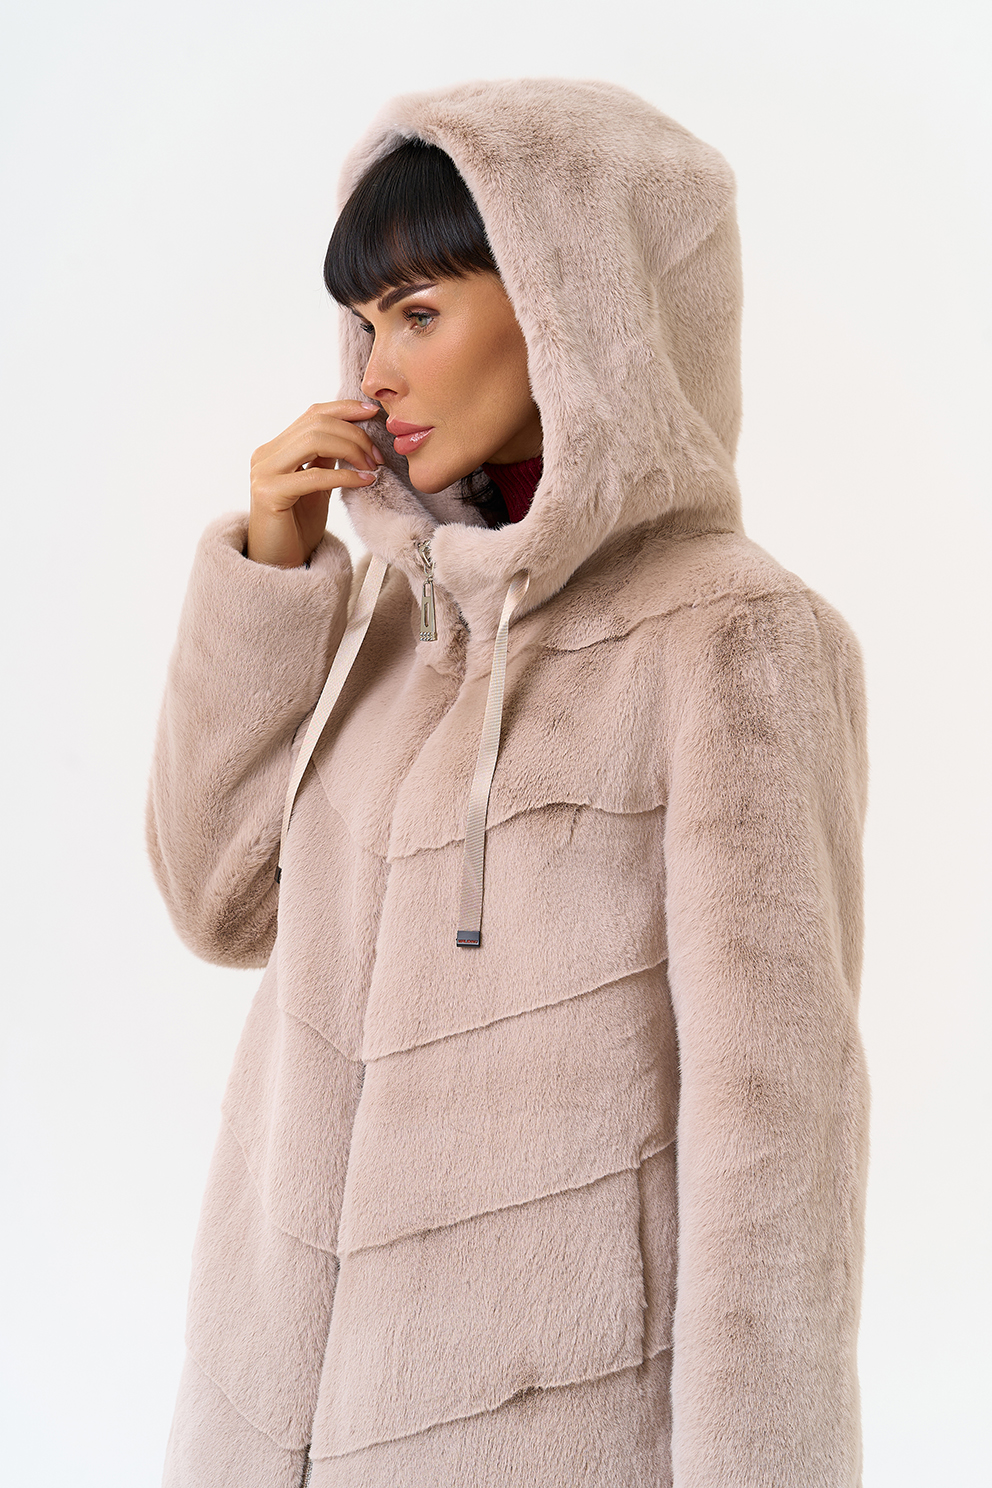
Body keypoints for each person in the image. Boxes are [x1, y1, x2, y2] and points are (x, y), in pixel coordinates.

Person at [148, 78, 871, 1488]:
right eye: (364, 324)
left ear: (574, 303)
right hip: (271, 1425)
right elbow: (218, 905)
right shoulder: (399, 618)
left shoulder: (735, 640)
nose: (374, 373)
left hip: (552, 1435)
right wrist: (277, 570)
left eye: (420, 313)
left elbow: (779, 1154)